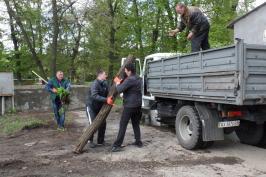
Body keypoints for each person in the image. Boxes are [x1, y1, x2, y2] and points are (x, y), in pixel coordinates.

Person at [111, 63, 143, 152]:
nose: (124, 71)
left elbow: (119, 89)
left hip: (129, 106)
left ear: (129, 70)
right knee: (136, 124)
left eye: (125, 70)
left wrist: (117, 83)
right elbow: (132, 90)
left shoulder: (129, 79)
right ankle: (138, 141)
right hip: (138, 105)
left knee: (123, 125)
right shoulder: (139, 78)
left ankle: (117, 145)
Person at [86, 69, 113, 148]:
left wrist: (117, 83)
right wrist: (106, 100)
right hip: (91, 107)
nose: (106, 76)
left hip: (99, 107)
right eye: (105, 74)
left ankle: (100, 141)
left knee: (103, 123)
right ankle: (90, 140)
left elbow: (110, 92)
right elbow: (94, 96)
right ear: (100, 75)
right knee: (93, 125)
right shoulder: (95, 84)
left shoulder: (105, 83)